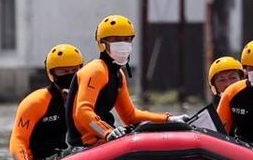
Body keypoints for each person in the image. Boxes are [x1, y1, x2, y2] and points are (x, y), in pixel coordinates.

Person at [66, 14, 188, 147]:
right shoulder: (96, 70)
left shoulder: (118, 75)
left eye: (127, 39)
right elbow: (82, 111)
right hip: (85, 145)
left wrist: (169, 119)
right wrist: (107, 132)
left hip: (104, 140)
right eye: (116, 39)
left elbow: (130, 116)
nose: (122, 44)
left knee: (144, 130)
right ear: (102, 44)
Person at [9, 43, 84, 160]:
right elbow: (18, 140)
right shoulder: (35, 103)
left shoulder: (85, 100)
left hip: (76, 157)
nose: (69, 76)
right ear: (52, 74)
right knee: (76, 153)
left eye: (74, 70)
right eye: (63, 71)